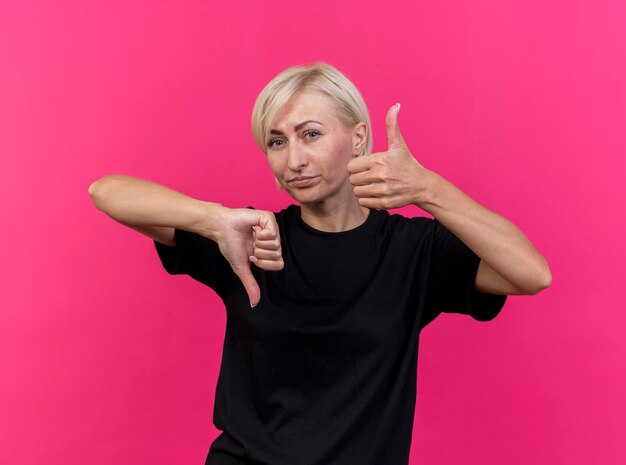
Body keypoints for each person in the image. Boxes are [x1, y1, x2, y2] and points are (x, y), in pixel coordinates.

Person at [89, 62, 551, 465]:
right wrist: (213, 220)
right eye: (276, 142)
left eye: (311, 134)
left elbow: (532, 274)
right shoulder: (250, 238)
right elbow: (106, 192)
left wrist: (428, 189)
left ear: (358, 138)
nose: (294, 160)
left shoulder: (414, 251)